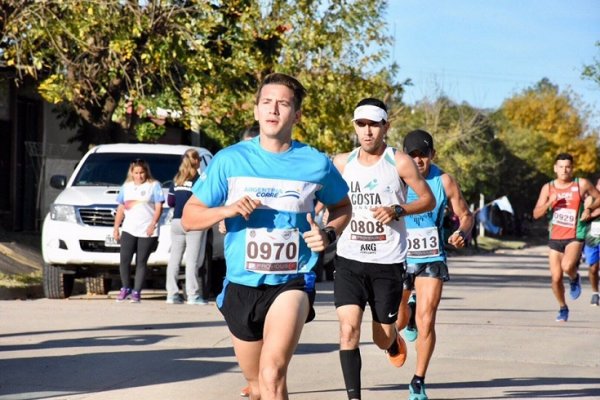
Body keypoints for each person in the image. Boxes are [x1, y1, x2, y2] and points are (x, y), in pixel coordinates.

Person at [181, 72, 352, 400]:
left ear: (296, 115)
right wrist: (226, 210)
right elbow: (190, 217)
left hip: (292, 282)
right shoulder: (230, 160)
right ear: (257, 110)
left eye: (283, 104)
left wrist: (330, 232)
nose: (273, 110)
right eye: (267, 103)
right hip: (241, 285)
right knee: (259, 386)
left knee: (273, 372)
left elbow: (343, 206)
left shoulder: (315, 163)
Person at [332, 98, 435, 400]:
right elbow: (326, 199)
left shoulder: (399, 161)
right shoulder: (341, 163)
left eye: (374, 125)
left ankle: (392, 342)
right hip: (349, 259)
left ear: (385, 127)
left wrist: (398, 210)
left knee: (381, 336)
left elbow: (427, 199)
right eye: (361, 125)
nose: (367, 132)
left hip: (386, 263)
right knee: (348, 330)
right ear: (355, 127)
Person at [395, 129, 474, 400]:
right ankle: (405, 319)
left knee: (427, 320)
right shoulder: (394, 177)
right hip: (399, 256)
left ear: (432, 155)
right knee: (397, 318)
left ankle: (418, 380)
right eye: (412, 155)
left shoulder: (444, 181)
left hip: (431, 256)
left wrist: (462, 233)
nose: (418, 161)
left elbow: (465, 215)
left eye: (423, 155)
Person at [532, 153, 600, 321]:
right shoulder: (548, 188)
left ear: (572, 168)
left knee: (568, 266)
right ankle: (563, 307)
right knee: (555, 279)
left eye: (568, 167)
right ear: (555, 168)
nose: (564, 170)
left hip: (575, 234)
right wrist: (550, 203)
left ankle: (574, 276)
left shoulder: (581, 184)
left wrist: (589, 210)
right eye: (561, 167)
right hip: (555, 236)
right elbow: (536, 214)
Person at [113, 159, 164, 303]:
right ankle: (125, 288)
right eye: (136, 173)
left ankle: (137, 291)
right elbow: (121, 208)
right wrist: (116, 227)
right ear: (132, 173)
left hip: (147, 229)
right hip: (129, 228)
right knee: (124, 260)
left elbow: (159, 207)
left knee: (141, 261)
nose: (139, 176)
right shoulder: (127, 187)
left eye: (142, 172)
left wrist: (153, 224)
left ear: (146, 172)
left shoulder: (154, 186)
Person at [165, 149, 209, 305]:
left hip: (177, 222)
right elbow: (206, 200)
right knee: (192, 260)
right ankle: (192, 295)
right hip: (194, 222)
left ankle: (172, 294)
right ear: (197, 161)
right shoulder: (200, 180)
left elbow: (170, 202)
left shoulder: (177, 180)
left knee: (174, 259)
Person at [582, 178, 600, 306]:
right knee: (593, 268)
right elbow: (585, 215)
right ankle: (595, 293)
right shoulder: (590, 199)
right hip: (593, 236)